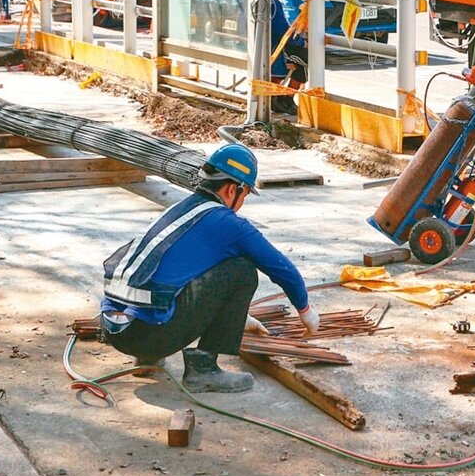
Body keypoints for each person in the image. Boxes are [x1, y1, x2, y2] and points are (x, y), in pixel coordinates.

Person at [99, 142, 317, 393]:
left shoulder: (179, 210)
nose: (243, 201)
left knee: (180, 273)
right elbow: (283, 270)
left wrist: (237, 318)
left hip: (117, 332)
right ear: (231, 189)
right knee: (242, 271)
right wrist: (305, 310)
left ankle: (147, 359)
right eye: (244, 194)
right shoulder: (228, 224)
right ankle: (203, 370)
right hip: (151, 337)